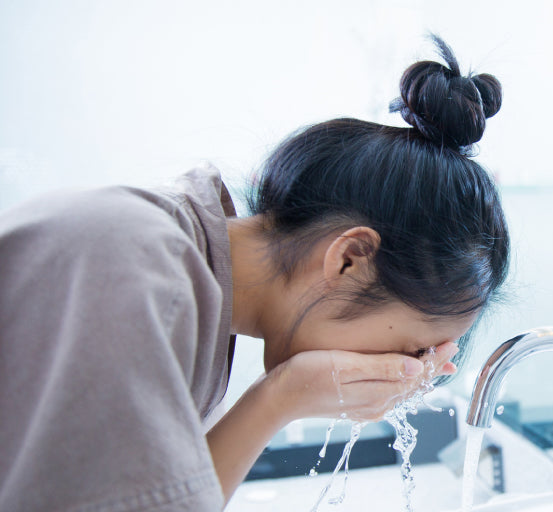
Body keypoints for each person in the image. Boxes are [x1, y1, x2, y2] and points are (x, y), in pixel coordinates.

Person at [0, 35, 509, 511]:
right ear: (349, 259)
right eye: (419, 349)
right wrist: (277, 400)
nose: (419, 374)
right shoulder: (138, 267)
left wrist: (282, 399)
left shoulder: (188, 283)